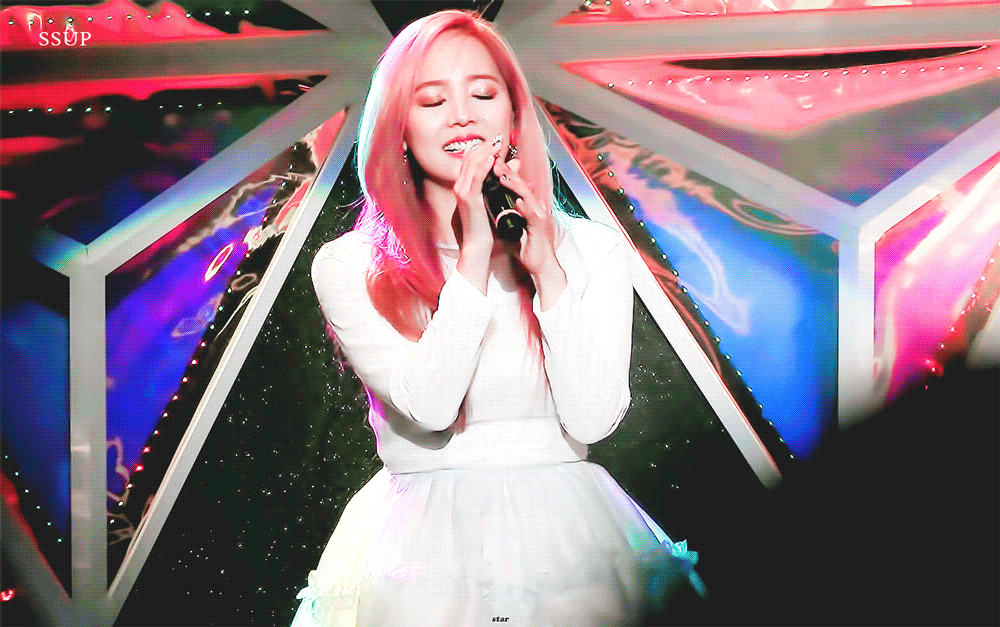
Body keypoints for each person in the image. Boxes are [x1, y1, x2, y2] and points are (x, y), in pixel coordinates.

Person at [292, 10, 703, 627]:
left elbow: (593, 418)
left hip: (571, 542)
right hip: (420, 552)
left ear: (512, 115)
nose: (463, 115)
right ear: (398, 127)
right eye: (432, 100)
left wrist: (549, 276)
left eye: (483, 94)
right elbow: (431, 407)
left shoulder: (592, 249)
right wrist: (475, 256)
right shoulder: (351, 264)